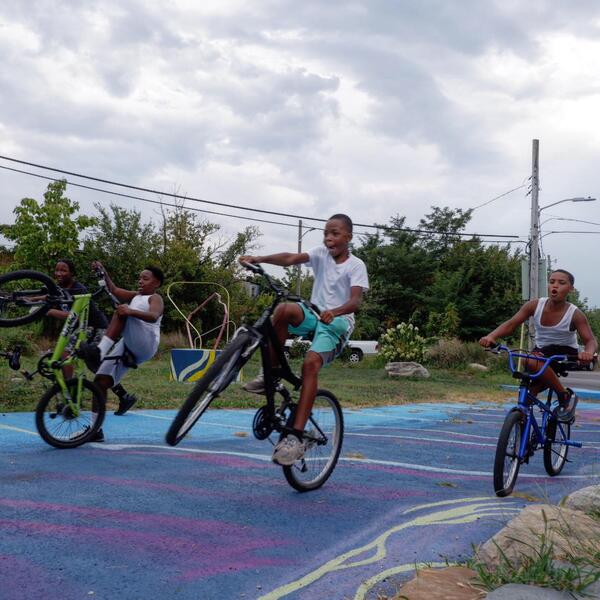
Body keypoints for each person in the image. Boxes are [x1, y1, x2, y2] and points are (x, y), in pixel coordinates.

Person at [239, 213, 369, 465]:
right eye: (326, 233)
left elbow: (355, 301)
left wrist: (337, 311)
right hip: (314, 313)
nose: (329, 238)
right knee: (284, 310)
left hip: (338, 322)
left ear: (348, 237)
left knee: (310, 364)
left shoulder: (356, 265)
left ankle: (296, 437)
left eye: (335, 233)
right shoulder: (320, 253)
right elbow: (290, 258)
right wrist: (260, 258)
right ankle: (271, 374)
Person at [479, 269, 597, 422]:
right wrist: (491, 336)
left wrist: (587, 352)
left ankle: (563, 395)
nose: (555, 285)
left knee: (531, 361)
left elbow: (591, 340)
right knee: (528, 392)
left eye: (562, 283)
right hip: (542, 351)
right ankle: (523, 429)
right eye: (552, 281)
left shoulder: (575, 314)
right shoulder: (534, 305)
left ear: (570, 289)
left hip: (565, 354)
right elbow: (511, 324)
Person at [79, 262, 165, 442]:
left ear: (156, 283)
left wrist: (130, 311)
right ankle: (95, 430)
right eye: (139, 278)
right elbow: (114, 289)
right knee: (100, 382)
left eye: (145, 278)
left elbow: (153, 316)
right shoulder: (135, 296)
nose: (140, 281)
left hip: (145, 344)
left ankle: (100, 351)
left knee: (122, 311)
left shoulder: (155, 298)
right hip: (128, 345)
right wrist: (104, 271)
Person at [48, 259, 138, 417]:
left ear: (72, 273)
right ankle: (124, 397)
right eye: (57, 270)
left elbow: (72, 316)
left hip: (96, 327)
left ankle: (69, 395)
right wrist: (26, 301)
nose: (59, 274)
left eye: (64, 270)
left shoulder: (78, 289)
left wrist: (47, 311)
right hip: (81, 329)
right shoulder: (58, 289)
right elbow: (44, 297)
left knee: (70, 353)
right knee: (94, 366)